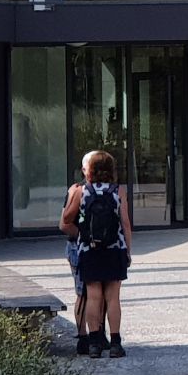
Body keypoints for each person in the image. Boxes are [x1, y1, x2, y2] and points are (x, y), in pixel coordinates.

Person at [60, 150, 133, 358]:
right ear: (112, 170)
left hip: (89, 250)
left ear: (89, 170)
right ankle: (116, 343)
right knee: (113, 298)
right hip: (114, 249)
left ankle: (93, 344)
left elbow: (66, 219)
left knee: (93, 296)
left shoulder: (83, 191)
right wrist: (128, 251)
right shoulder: (118, 192)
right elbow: (125, 224)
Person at [63, 216, 90, 355]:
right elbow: (64, 224)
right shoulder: (76, 193)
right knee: (83, 294)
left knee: (96, 293)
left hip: (96, 247)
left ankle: (96, 335)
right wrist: (85, 234)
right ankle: (83, 336)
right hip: (77, 247)